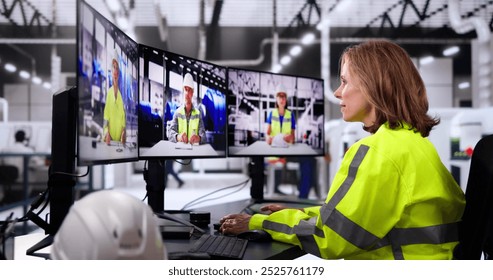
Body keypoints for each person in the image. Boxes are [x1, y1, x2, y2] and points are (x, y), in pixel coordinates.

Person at [219, 39, 466, 260]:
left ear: (372, 86)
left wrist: (260, 222)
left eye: (345, 81)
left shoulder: (378, 151)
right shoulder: (415, 143)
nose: (337, 93)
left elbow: (330, 238)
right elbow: (361, 218)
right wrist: (302, 211)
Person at [167, 73, 206, 145]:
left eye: (190, 90)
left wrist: (199, 138)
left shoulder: (198, 114)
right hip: (180, 151)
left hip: (194, 151)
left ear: (193, 92)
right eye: (186, 89)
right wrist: (178, 137)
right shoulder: (177, 112)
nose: (187, 93)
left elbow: (204, 136)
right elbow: (170, 133)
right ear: (183, 91)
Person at [103, 49, 126, 145]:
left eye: (117, 68)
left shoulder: (121, 96)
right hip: (110, 141)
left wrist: (123, 133)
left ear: (119, 72)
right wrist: (106, 133)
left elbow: (123, 121)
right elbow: (106, 118)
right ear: (111, 70)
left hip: (119, 143)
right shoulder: (109, 93)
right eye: (114, 67)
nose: (115, 70)